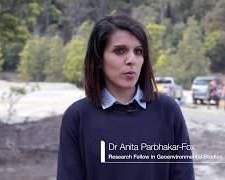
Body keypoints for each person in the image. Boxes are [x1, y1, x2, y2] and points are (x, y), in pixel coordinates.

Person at [57, 15, 195, 180]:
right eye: (120, 51)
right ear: (99, 59)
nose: (132, 60)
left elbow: (184, 174)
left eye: (138, 51)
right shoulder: (77, 116)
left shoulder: (167, 110)